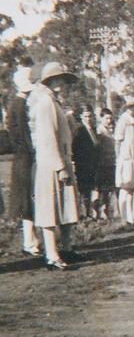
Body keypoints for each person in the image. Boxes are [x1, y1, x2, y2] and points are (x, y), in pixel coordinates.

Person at [28, 61, 80, 270]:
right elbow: (47, 138)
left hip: (62, 160)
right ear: (50, 81)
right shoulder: (44, 103)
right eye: (60, 79)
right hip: (50, 164)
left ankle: (67, 248)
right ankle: (51, 254)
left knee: (67, 206)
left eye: (66, 80)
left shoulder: (54, 102)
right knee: (49, 209)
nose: (64, 84)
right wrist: (60, 167)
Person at [6, 66, 40, 257]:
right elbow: (20, 136)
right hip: (24, 159)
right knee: (27, 201)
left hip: (24, 158)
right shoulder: (19, 106)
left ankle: (31, 240)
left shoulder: (20, 104)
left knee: (29, 201)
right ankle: (29, 242)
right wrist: (30, 151)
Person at [114, 96, 134, 225]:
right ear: (128, 107)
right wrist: (118, 158)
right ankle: (124, 219)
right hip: (126, 159)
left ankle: (131, 217)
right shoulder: (123, 120)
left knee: (133, 188)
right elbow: (118, 140)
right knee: (126, 188)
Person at [72, 104, 100, 219]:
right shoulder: (79, 130)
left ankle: (92, 214)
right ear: (81, 117)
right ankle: (85, 214)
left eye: (90, 116)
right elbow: (75, 149)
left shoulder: (93, 129)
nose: (88, 118)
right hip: (83, 166)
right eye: (85, 116)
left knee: (92, 190)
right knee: (84, 192)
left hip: (93, 165)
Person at [95, 108, 116, 219]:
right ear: (101, 118)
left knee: (109, 189)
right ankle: (98, 212)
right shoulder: (99, 131)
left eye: (110, 118)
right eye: (106, 118)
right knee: (101, 189)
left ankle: (107, 211)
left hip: (111, 163)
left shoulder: (111, 131)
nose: (109, 120)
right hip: (102, 164)